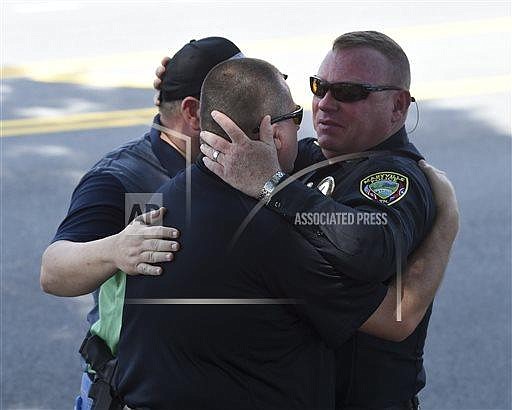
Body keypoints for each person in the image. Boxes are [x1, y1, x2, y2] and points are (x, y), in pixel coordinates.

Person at [113, 57, 458, 410]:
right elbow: (398, 316)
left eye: (346, 93)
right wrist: (446, 225)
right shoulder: (268, 234)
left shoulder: (163, 202)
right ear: (275, 134)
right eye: (298, 116)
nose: (321, 108)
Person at [199, 31, 445, 409]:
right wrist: (174, 93)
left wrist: (272, 185)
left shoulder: (397, 178)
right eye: (319, 87)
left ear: (398, 107)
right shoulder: (313, 157)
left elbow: (369, 244)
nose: (325, 104)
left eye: (349, 92)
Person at [39, 37, 244, 410]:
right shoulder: (121, 177)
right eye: (238, 98)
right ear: (194, 112)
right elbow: (53, 271)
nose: (250, 109)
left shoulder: (235, 162)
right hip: (132, 394)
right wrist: (115, 249)